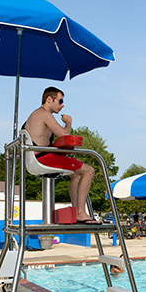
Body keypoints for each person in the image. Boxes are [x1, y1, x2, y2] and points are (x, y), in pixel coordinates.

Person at [23, 86, 99, 224]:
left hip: (38, 158)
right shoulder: (45, 114)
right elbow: (64, 135)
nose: (63, 105)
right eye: (60, 101)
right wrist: (69, 123)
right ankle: (81, 213)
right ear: (49, 99)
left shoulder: (34, 115)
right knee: (89, 170)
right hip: (44, 158)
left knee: (76, 175)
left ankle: (77, 212)